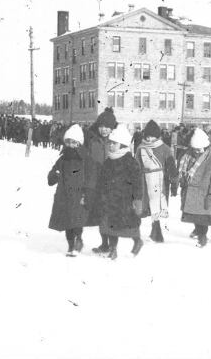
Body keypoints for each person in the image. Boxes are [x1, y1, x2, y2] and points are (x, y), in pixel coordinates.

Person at [90, 124, 143, 260]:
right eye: (110, 143)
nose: (111, 146)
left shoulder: (130, 162)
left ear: (123, 145)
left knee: (129, 227)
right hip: (108, 199)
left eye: (114, 143)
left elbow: (137, 183)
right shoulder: (108, 161)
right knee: (108, 225)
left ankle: (138, 242)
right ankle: (112, 249)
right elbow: (102, 180)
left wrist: (137, 200)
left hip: (124, 201)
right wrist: (98, 195)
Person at [47, 125, 96, 256]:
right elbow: (51, 176)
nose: (70, 144)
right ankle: (70, 244)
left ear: (79, 143)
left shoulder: (86, 158)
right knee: (67, 221)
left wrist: (87, 193)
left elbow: (91, 177)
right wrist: (54, 175)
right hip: (64, 195)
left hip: (79, 194)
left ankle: (78, 241)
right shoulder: (62, 158)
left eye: (73, 142)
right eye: (68, 141)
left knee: (77, 221)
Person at [136, 120, 179, 243]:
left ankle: (157, 231)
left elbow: (171, 166)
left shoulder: (165, 148)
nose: (149, 139)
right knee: (148, 205)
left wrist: (174, 181)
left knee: (157, 205)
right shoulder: (141, 148)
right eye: (147, 136)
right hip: (144, 180)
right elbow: (136, 165)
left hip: (161, 181)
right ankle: (154, 231)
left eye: (152, 136)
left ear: (157, 136)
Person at [179, 128, 211, 247]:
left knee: (203, 220)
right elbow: (183, 171)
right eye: (195, 150)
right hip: (191, 193)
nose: (197, 152)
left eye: (200, 150)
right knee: (195, 217)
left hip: (204, 194)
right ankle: (198, 232)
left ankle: (202, 239)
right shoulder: (187, 157)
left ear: (206, 147)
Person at [86, 108, 118, 254]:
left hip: (113, 185)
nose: (104, 130)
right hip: (96, 184)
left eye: (107, 127)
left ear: (113, 128)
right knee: (101, 216)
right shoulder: (91, 139)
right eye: (101, 126)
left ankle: (113, 247)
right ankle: (104, 244)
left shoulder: (117, 142)